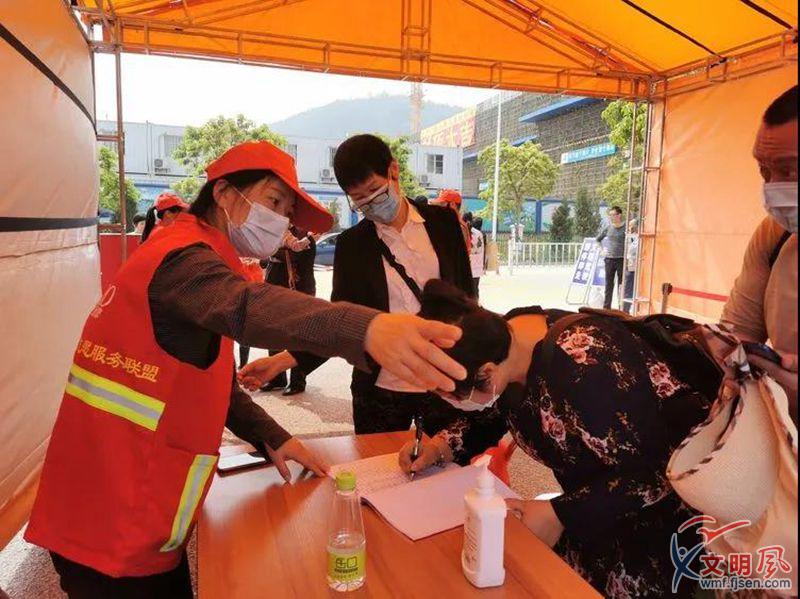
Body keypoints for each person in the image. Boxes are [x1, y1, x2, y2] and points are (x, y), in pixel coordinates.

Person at [25, 141, 467, 598]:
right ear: (223, 193)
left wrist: (275, 437)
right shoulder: (184, 260)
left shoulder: (188, 250)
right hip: (111, 515)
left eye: (287, 212)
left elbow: (211, 381)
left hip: (126, 503)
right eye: (274, 201)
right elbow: (246, 306)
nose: (279, 220)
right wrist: (366, 328)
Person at [400, 280, 719, 597]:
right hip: (592, 514)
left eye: (453, 395)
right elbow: (494, 412)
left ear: (486, 373)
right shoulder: (503, 345)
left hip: (655, 528)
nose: (453, 403)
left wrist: (560, 514)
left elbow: (656, 470)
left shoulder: (586, 365)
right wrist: (439, 446)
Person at [239, 134, 475, 436]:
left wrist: (478, 356)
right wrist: (282, 360)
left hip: (442, 378)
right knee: (377, 462)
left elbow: (467, 298)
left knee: (446, 457)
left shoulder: (444, 224)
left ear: (393, 171)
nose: (372, 204)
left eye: (375, 191)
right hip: (380, 388)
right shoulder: (353, 245)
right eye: (360, 200)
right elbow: (340, 319)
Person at [722, 85, 798, 417]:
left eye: (790, 170)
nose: (772, 188)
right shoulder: (775, 234)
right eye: (764, 171)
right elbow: (737, 332)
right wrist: (735, 362)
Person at [259, 227, 318, 395]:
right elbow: (264, 261)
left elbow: (299, 256)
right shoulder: (279, 233)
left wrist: (275, 248)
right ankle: (277, 378)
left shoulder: (307, 238)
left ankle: (297, 381)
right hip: (273, 288)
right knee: (273, 333)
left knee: (297, 336)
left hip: (298, 291)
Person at [596, 206, 626, 309]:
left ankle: (621, 307)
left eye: (613, 215)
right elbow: (598, 239)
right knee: (609, 284)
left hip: (622, 259)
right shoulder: (608, 227)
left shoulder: (626, 227)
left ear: (619, 215)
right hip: (609, 259)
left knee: (621, 285)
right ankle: (606, 307)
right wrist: (602, 250)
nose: (611, 217)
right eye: (610, 215)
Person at [623, 218, 638, 314]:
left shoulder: (639, 237)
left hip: (637, 267)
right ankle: (625, 310)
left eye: (632, 225)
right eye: (629, 226)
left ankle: (634, 310)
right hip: (629, 267)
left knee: (634, 290)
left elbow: (633, 251)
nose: (630, 228)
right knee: (627, 289)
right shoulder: (628, 236)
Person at [468, 216, 486, 298]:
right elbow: (483, 250)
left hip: (470, 265)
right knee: (475, 288)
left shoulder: (467, 232)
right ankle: (476, 302)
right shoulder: (481, 234)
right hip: (478, 265)